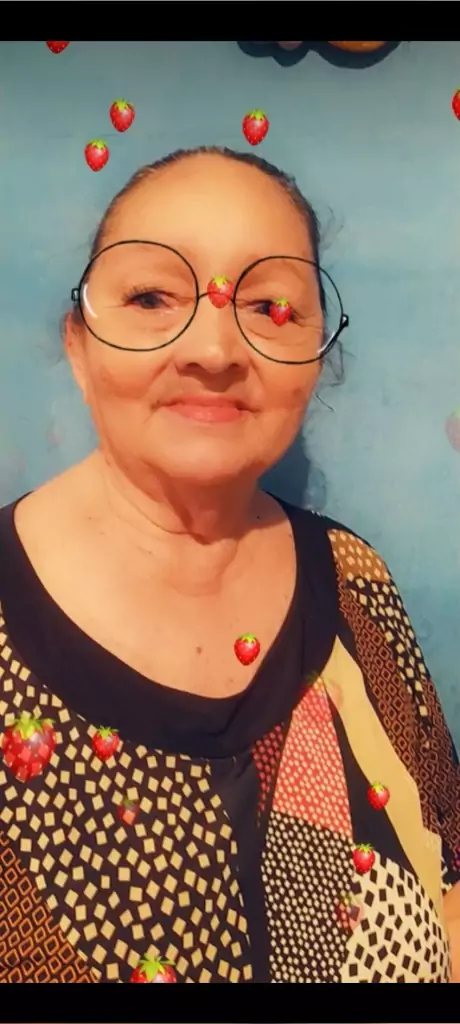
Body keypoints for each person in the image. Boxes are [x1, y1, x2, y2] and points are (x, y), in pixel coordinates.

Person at [0, 145, 459, 984]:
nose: (213, 350)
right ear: (78, 344)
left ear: (318, 355)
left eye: (271, 307)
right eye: (151, 297)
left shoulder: (355, 582)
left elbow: (451, 895)